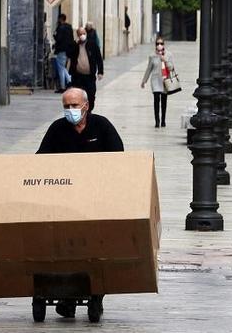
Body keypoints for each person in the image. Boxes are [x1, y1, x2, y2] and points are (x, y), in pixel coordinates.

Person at [35, 87, 121, 318]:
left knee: (95, 250)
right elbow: (39, 161)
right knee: (62, 247)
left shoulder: (102, 126)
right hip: (63, 201)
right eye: (66, 106)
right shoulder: (57, 129)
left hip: (95, 200)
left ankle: (96, 294)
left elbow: (120, 160)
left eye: (74, 105)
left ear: (86, 106)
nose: (70, 110)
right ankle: (66, 297)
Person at [141, 37, 175, 128]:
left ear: (164, 45)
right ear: (155, 45)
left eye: (161, 43)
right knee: (156, 100)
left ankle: (163, 120)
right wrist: (144, 81)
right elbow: (149, 69)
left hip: (165, 81)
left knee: (164, 101)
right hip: (155, 80)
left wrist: (165, 60)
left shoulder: (169, 54)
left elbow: (171, 68)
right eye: (157, 43)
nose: (159, 45)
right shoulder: (152, 55)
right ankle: (157, 121)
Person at [68, 26, 103, 112]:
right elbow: (69, 54)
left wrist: (100, 72)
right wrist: (74, 44)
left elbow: (99, 58)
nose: (82, 35)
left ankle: (88, 111)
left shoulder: (92, 44)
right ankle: (80, 111)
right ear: (77, 35)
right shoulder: (75, 45)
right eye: (80, 34)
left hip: (89, 77)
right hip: (77, 77)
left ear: (86, 34)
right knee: (77, 96)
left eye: (84, 33)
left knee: (91, 95)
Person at [52, 13, 74, 93]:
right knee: (63, 67)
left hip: (61, 50)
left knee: (60, 69)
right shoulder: (69, 27)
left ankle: (63, 86)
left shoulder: (60, 28)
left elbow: (58, 39)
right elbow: (72, 38)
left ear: (60, 19)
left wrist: (54, 35)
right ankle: (69, 81)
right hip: (67, 50)